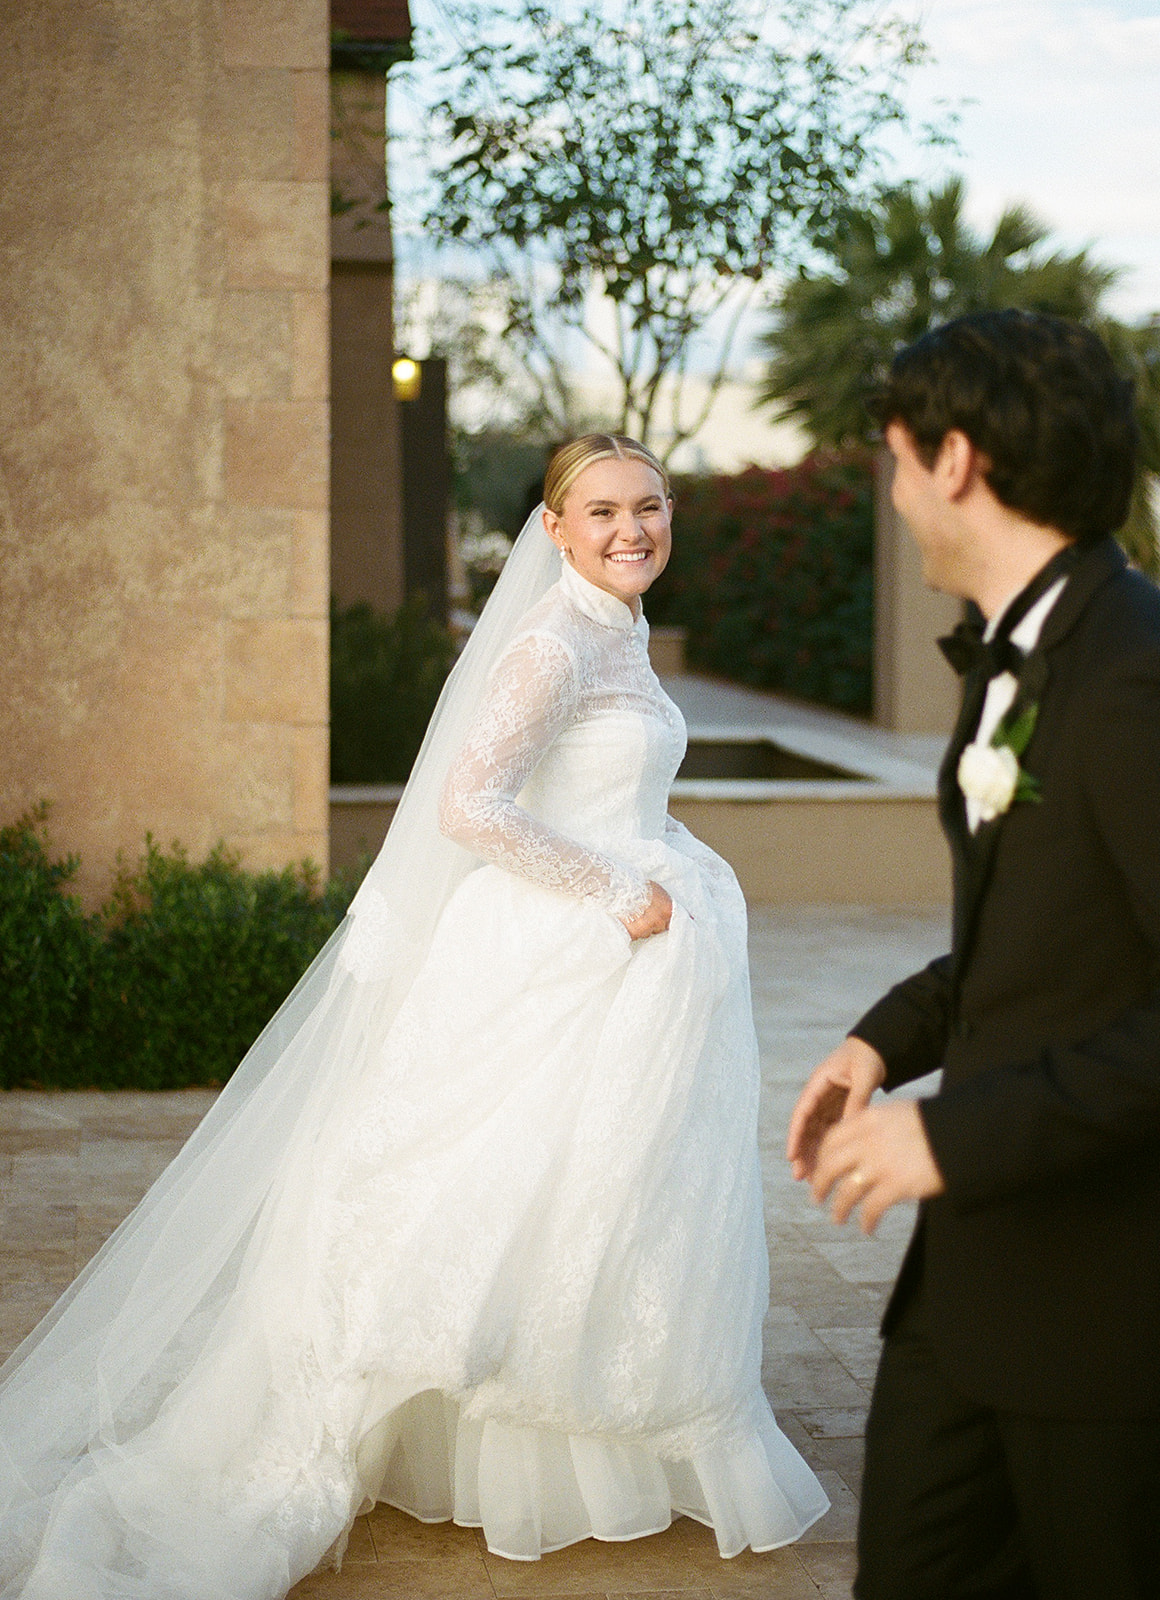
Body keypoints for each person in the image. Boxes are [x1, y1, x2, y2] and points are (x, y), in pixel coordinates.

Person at [0, 433, 827, 1599]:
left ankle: (570, 1450)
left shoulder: (619, 628)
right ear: (552, 530)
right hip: (565, 944)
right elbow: (468, 805)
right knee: (498, 1197)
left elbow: (600, 782)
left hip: (627, 956)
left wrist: (658, 868)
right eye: (600, 512)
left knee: (605, 1198)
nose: (630, 529)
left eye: (648, 506)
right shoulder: (551, 644)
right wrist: (614, 892)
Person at [787, 310, 1160, 1599]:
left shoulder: (1131, 672)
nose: (891, 493)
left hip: (1106, 1310)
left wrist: (955, 1134)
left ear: (953, 460)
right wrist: (884, 1037)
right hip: (969, 1293)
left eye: (892, 459)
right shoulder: (1027, 655)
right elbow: (1034, 937)